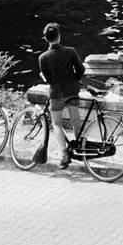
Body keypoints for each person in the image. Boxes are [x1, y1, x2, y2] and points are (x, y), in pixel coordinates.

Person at [37, 22, 86, 169]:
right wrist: (75, 80)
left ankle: (64, 154)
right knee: (75, 120)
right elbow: (81, 70)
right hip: (72, 90)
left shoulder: (43, 57)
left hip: (56, 93)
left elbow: (48, 78)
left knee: (57, 124)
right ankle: (81, 149)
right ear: (59, 36)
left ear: (46, 39)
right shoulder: (71, 51)